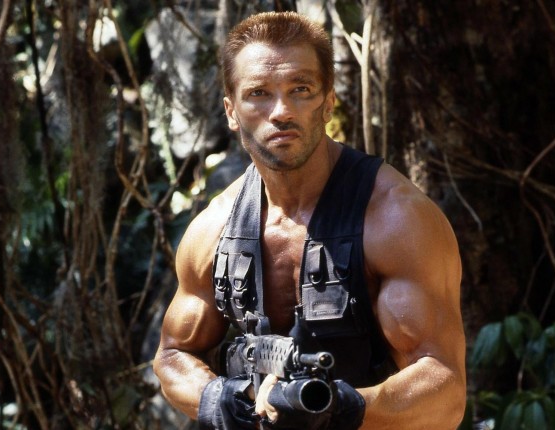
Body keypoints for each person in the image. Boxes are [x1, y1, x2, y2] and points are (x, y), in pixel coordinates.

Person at [154, 11, 466, 430]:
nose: (281, 111)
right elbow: (172, 356)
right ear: (231, 111)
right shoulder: (215, 229)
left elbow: (447, 391)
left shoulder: (396, 219)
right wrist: (224, 399)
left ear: (328, 102)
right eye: (259, 93)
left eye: (300, 89)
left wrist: (342, 406)